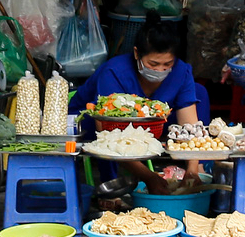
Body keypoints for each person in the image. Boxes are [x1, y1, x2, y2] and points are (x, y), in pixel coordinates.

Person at [69, 23, 209, 188]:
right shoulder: (114, 73)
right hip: (93, 126)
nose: (160, 70)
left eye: (167, 64)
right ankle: (111, 182)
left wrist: (192, 170)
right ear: (137, 54)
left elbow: (189, 126)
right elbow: (107, 135)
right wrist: (149, 178)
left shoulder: (181, 72)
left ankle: (201, 167)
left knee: (199, 92)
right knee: (104, 134)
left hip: (150, 124)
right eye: (153, 64)